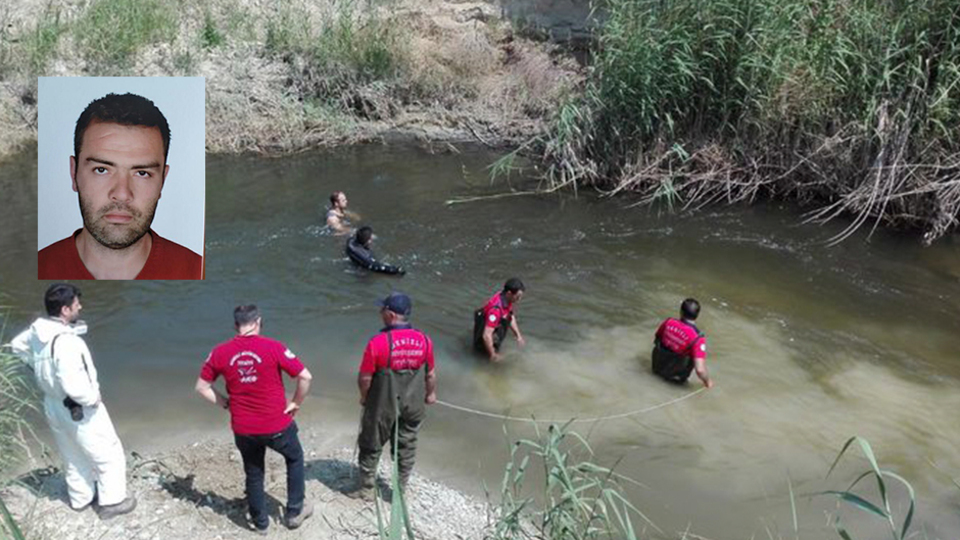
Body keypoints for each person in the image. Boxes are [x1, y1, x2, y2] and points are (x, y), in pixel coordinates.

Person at [38, 92, 202, 280]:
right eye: (101, 170)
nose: (122, 194)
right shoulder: (36, 266)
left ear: (162, 181)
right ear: (74, 174)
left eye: (142, 173)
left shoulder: (196, 270)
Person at [6, 284, 136, 519]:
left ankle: (80, 498)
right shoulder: (67, 342)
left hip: (53, 405)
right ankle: (112, 502)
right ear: (65, 310)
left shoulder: (38, 332)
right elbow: (73, 385)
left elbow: (17, 346)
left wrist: (37, 367)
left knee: (72, 454)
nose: (80, 307)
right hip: (77, 407)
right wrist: (92, 398)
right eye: (76, 304)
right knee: (108, 452)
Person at [195, 305, 314, 534]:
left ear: (235, 325)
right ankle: (294, 512)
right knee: (295, 458)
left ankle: (261, 524)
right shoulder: (274, 347)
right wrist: (296, 403)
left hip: (244, 427)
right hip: (276, 424)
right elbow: (305, 376)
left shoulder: (220, 352)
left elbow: (201, 387)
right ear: (258, 321)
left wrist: (227, 404)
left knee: (254, 471)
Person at [348, 293, 437, 501]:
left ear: (390, 314)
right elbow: (430, 374)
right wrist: (431, 394)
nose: (380, 313)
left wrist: (364, 397)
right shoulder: (425, 340)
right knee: (406, 446)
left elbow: (365, 378)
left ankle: (367, 489)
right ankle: (399, 491)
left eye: (382, 310)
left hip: (383, 405)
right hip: (413, 404)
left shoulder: (378, 342)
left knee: (371, 443)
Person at [652, 298, 714, 388]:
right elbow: (700, 370)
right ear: (697, 315)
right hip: (674, 380)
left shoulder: (668, 322)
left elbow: (657, 338)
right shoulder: (697, 338)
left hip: (656, 369)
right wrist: (707, 382)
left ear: (681, 311)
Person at [473, 278, 526, 362]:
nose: (519, 299)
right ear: (509, 293)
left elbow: (510, 316)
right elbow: (486, 335)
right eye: (518, 296)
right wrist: (493, 354)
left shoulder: (506, 298)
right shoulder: (495, 310)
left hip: (492, 330)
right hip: (485, 341)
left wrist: (518, 336)